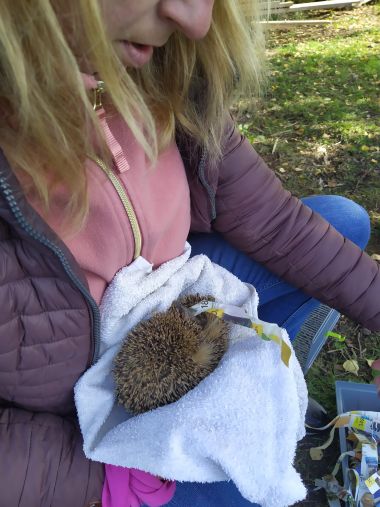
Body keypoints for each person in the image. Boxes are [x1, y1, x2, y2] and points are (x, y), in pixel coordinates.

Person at [0, 1, 378, 506]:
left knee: (342, 221)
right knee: (246, 489)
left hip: (169, 292)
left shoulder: (163, 72)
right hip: (69, 415)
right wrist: (96, 482)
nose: (196, 21)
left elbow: (277, 224)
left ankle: (264, 390)